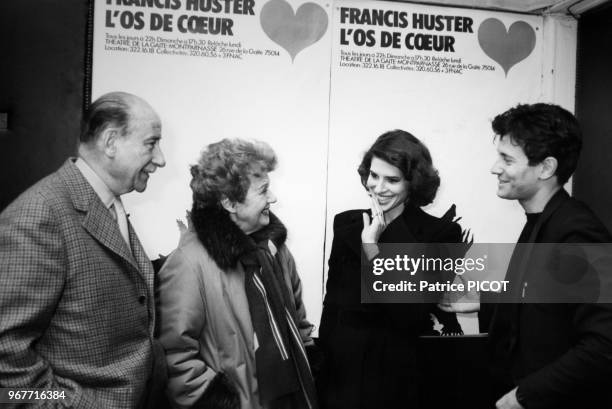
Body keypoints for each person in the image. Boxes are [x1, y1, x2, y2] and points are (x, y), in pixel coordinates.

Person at [0, 92, 166, 407]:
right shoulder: (39, 215)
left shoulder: (109, 202)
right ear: (110, 141)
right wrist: (62, 404)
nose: (161, 158)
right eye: (151, 143)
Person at [158, 138, 317, 409]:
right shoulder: (188, 263)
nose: (273, 198)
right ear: (230, 202)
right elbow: (175, 357)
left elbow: (299, 324)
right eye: (263, 190)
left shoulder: (275, 251)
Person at [318, 130, 465, 409]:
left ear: (413, 183)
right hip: (340, 377)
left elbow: (410, 314)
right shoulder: (346, 224)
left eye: (392, 180)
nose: (379, 188)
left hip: (396, 379)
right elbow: (334, 307)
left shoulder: (441, 234)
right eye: (374, 176)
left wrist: (372, 248)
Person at [487, 103, 612, 409]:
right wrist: (479, 299)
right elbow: (540, 306)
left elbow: (604, 344)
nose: (495, 168)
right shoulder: (541, 223)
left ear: (546, 168)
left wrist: (524, 396)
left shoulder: (576, 232)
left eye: (507, 159)